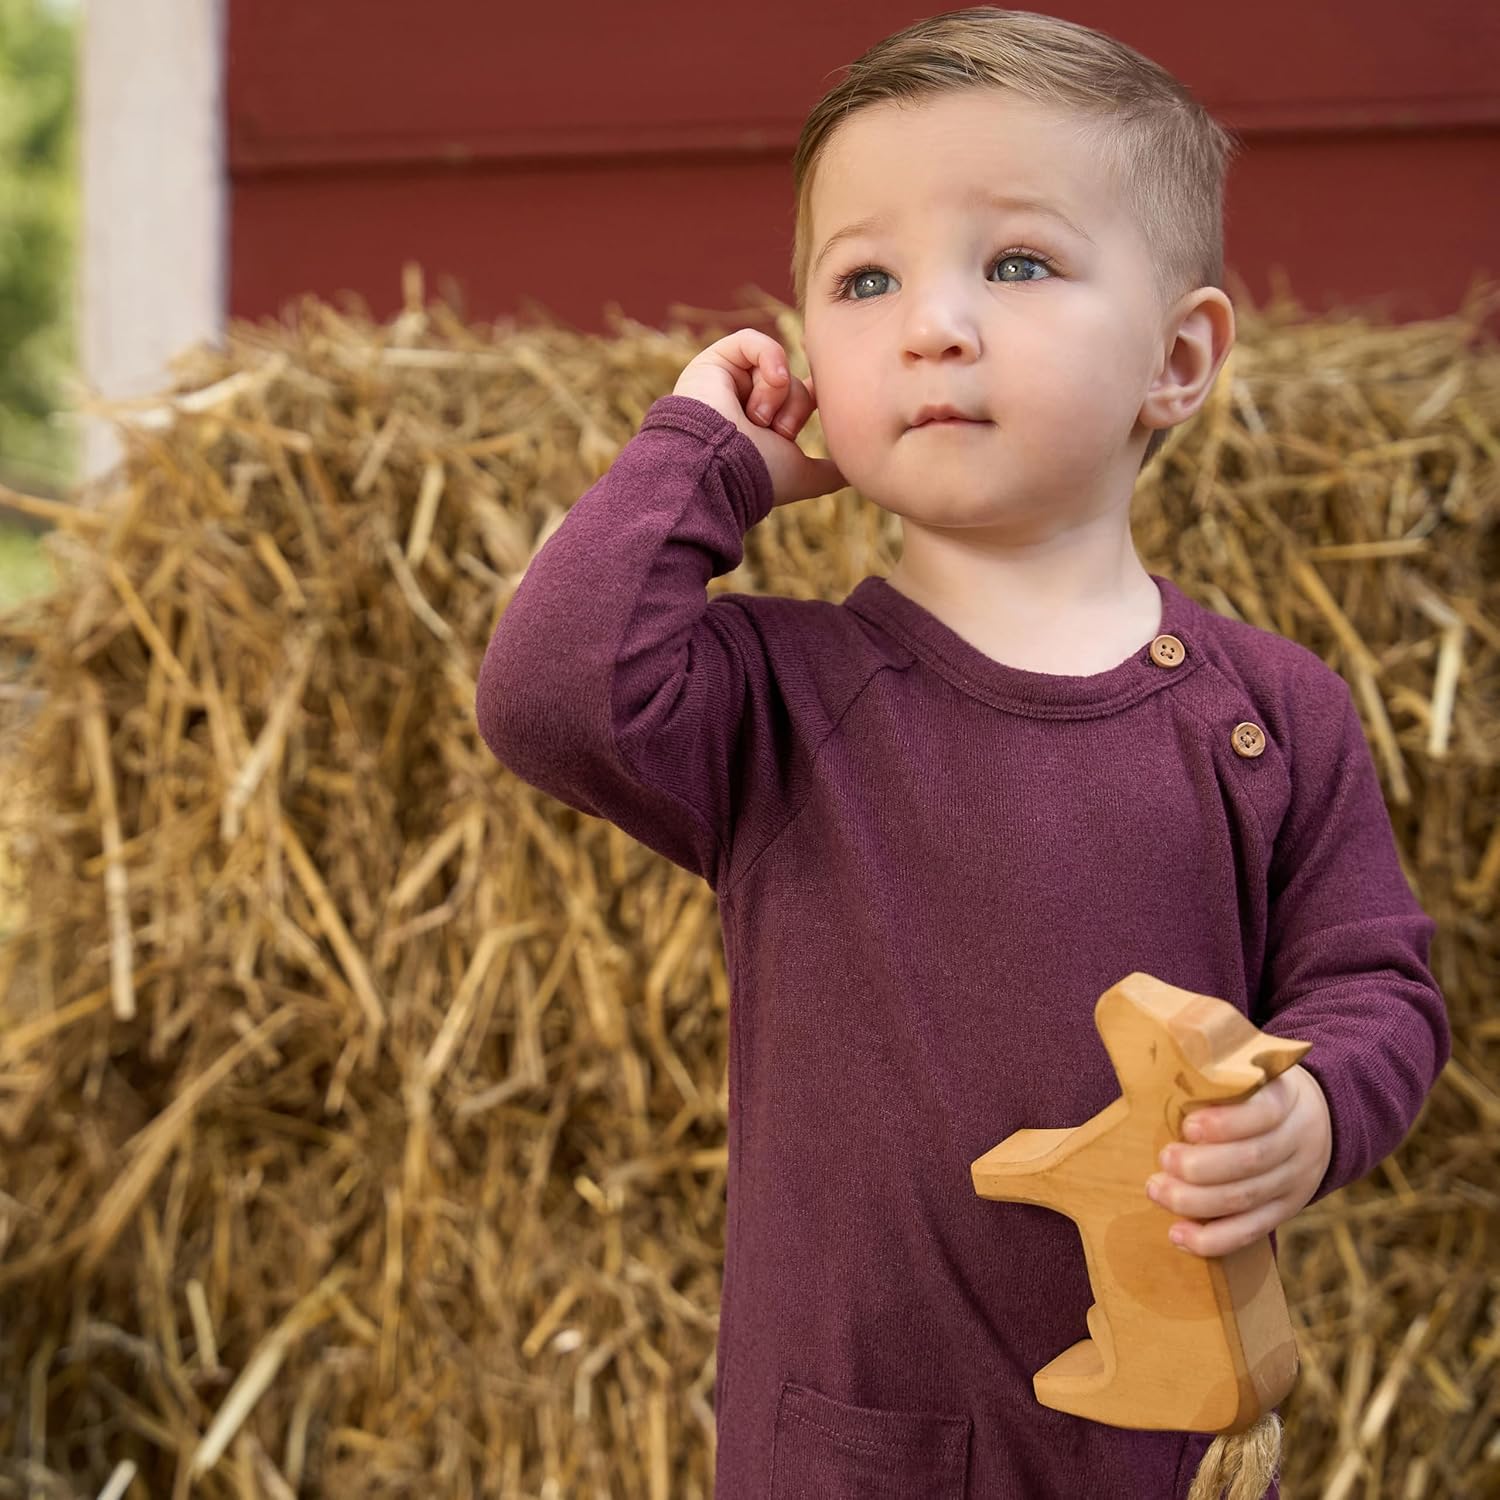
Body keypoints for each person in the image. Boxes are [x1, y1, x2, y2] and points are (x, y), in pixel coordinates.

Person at [474, 9, 1451, 1497]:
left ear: (1178, 357)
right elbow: (549, 694)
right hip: (851, 1444)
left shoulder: (1272, 713)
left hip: (1166, 1444)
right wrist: (707, 459)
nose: (931, 323)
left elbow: (1376, 986)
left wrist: (1310, 1114)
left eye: (1018, 263)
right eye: (864, 281)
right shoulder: (782, 696)